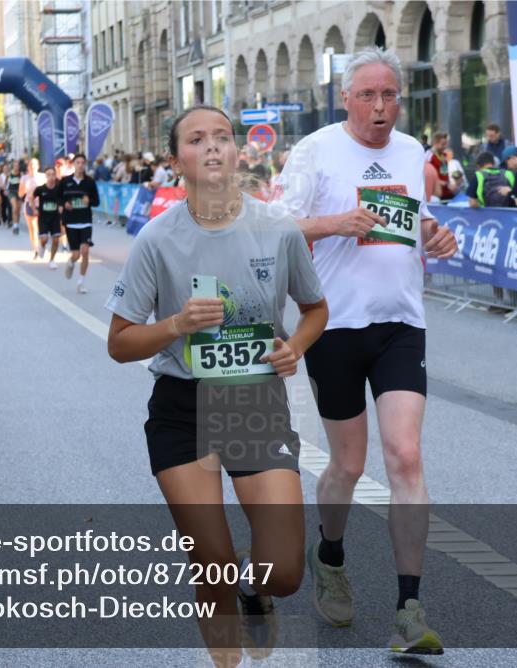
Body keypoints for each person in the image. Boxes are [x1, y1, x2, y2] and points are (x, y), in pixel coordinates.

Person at [105, 105, 329, 667]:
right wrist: (176, 324)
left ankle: (256, 592)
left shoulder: (277, 228)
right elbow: (119, 342)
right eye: (196, 139)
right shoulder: (157, 239)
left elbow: (315, 309)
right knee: (212, 564)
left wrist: (294, 347)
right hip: (183, 407)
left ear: (238, 153)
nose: (211, 147)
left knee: (283, 573)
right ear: (177, 158)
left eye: (222, 138)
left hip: (255, 402)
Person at [276, 46, 457, 655]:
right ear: (346, 98)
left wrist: (437, 235)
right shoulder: (317, 150)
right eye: (368, 96)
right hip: (335, 325)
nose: (381, 108)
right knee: (349, 466)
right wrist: (334, 224)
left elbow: (418, 224)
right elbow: (276, 227)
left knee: (405, 455)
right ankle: (330, 555)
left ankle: (409, 606)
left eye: (390, 96)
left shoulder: (410, 152)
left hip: (402, 323)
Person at [57, 154, 100, 293]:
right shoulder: (65, 181)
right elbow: (58, 197)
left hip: (85, 221)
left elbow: (96, 201)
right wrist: (64, 204)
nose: (80, 165)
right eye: (78, 162)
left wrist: (89, 201)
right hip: (71, 222)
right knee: (76, 255)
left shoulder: (90, 182)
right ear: (73, 164)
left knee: (85, 251)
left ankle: (81, 282)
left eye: (83, 162)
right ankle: (71, 262)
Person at [33, 166, 64, 269]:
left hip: (55, 218)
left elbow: (63, 199)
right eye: (49, 175)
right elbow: (31, 197)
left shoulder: (59, 189)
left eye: (53, 174)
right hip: (43, 218)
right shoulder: (41, 189)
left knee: (56, 240)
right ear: (46, 176)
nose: (51, 177)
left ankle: (52, 260)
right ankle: (41, 246)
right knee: (44, 239)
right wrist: (34, 209)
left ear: (55, 175)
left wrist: (61, 206)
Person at [20, 158, 47, 258]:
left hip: (41, 204)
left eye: (34, 165)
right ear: (28, 167)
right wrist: (24, 189)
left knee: (41, 227)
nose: (32, 167)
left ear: (38, 166)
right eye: (30, 165)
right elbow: (20, 193)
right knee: (33, 227)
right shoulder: (24, 178)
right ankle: (35, 249)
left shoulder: (43, 177)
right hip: (29, 204)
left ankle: (42, 245)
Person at [426, 132, 453, 199]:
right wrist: (439, 182)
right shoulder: (429, 155)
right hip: (436, 194)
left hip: (446, 191)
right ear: (435, 143)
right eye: (443, 144)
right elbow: (425, 174)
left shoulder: (444, 155)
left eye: (446, 144)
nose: (445, 146)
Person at [7, 159, 23, 234]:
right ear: (13, 166)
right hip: (12, 192)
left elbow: (23, 183)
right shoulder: (10, 174)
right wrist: (5, 190)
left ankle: (17, 224)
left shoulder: (21, 174)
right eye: (15, 165)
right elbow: (6, 183)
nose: (16, 167)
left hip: (19, 193)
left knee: (18, 210)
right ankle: (15, 226)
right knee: (15, 208)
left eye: (17, 165)